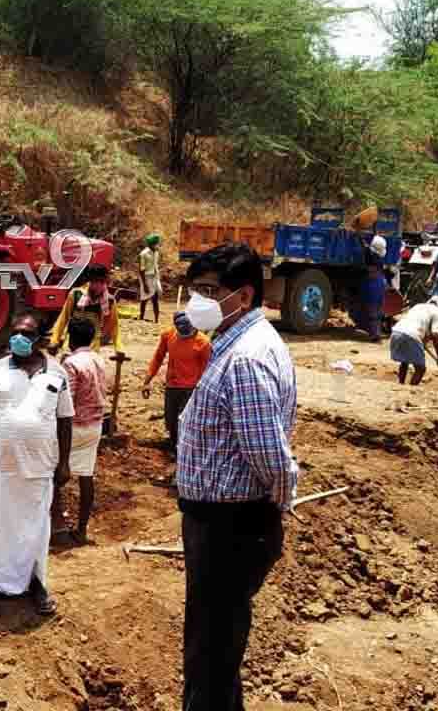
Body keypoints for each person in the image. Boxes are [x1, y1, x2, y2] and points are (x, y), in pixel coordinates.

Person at [176, 242, 298, 711]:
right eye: (195, 290)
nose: (197, 302)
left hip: (231, 526)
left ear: (242, 297)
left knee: (211, 656)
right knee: (215, 652)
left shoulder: (246, 359)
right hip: (221, 523)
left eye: (209, 291)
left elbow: (269, 454)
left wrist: (275, 507)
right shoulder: (234, 348)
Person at [0, 312, 73, 617]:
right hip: (1, 465)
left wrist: (64, 463)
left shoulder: (57, 374)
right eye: (15, 332)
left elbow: (65, 421)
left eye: (25, 334)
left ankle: (36, 584)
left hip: (41, 466)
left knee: (36, 527)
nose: (18, 338)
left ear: (39, 338)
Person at [52, 318, 109, 544]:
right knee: (86, 476)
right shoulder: (99, 359)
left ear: (71, 338)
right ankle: (82, 529)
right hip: (95, 424)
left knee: (54, 474)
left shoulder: (71, 364)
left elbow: (66, 399)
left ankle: (58, 527)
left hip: (72, 427)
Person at [143, 311, 212, 449]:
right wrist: (147, 380)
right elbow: (158, 357)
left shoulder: (203, 343)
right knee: (171, 421)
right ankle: (173, 444)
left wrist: (204, 393)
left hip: (192, 389)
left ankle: (183, 450)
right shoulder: (168, 336)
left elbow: (207, 371)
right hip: (172, 385)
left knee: (185, 421)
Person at [50, 264, 124, 355]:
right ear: (89, 281)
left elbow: (114, 326)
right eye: (94, 282)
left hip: (92, 349)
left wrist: (119, 348)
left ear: (105, 282)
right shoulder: (75, 294)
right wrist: (54, 340)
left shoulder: (109, 301)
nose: (97, 285)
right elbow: (63, 319)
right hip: (71, 346)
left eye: (101, 282)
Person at [391, 296, 438, 385]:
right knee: (421, 368)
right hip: (412, 335)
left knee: (405, 361)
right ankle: (411, 390)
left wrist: (422, 342)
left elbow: (419, 324)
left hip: (396, 331)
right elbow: (435, 335)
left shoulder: (418, 306)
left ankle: (401, 385)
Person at [354, 235, 390, 342]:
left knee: (371, 308)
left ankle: (374, 334)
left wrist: (358, 234)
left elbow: (365, 247)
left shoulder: (371, 255)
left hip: (372, 283)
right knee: (376, 309)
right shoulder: (378, 257)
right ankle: (375, 333)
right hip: (379, 282)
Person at [138, 234, 162, 322]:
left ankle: (156, 319)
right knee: (144, 298)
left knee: (155, 298)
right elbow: (141, 270)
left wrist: (157, 277)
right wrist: (144, 285)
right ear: (151, 244)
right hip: (146, 277)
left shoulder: (156, 252)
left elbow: (155, 265)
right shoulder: (143, 254)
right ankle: (141, 317)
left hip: (154, 277)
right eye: (157, 244)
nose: (158, 245)